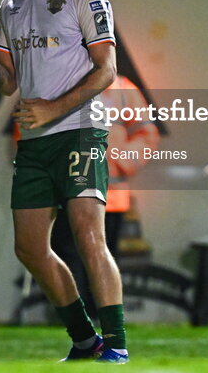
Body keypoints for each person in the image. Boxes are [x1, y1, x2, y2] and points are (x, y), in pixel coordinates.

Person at [0, 0, 128, 363]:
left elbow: (107, 71)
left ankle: (116, 346)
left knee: (88, 237)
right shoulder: (10, 5)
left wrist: (53, 109)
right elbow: (7, 83)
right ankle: (84, 340)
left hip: (79, 132)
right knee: (30, 249)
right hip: (35, 143)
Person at [50, 75, 159, 315]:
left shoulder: (123, 89)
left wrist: (118, 160)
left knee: (101, 257)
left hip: (111, 196)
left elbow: (147, 134)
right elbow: (27, 130)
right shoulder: (54, 81)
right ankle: (76, 320)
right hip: (65, 192)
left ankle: (102, 318)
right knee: (68, 256)